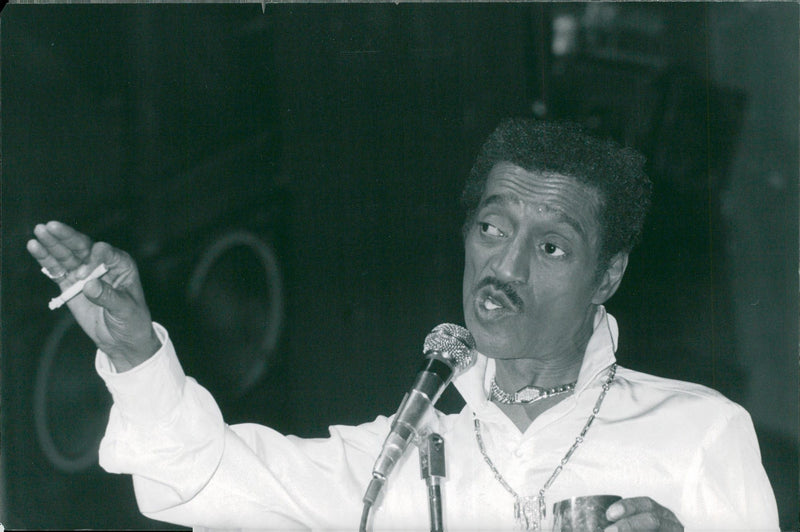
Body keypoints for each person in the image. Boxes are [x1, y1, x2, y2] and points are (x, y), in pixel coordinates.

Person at [27, 119, 778, 531]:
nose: (504, 268)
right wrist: (132, 349)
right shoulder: (408, 453)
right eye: (491, 229)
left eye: (549, 247)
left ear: (606, 278)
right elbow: (201, 480)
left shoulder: (698, 435)